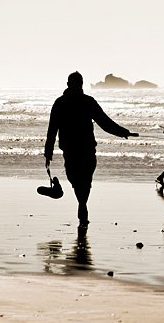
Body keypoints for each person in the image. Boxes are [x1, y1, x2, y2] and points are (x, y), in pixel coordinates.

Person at [44, 72, 138, 229]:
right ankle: (82, 204)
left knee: (80, 180)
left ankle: (82, 205)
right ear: (74, 84)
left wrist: (123, 132)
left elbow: (103, 121)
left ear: (70, 84)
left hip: (79, 149)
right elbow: (104, 122)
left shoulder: (69, 102)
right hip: (79, 148)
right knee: (81, 180)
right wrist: (48, 152)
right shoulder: (71, 102)